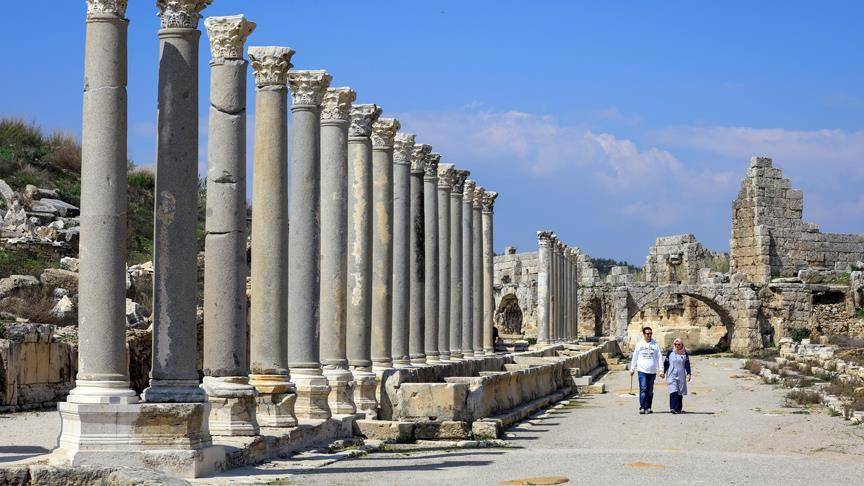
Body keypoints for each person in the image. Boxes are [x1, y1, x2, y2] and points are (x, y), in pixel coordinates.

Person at [629, 326, 663, 415]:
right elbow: (635, 357)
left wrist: (661, 370)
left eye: (650, 333)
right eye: (647, 333)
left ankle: (648, 407)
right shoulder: (639, 344)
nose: (649, 335)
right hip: (642, 370)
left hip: (652, 371)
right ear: (643, 334)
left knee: (650, 391)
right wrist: (632, 368)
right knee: (643, 388)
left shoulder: (655, 345)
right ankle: (642, 407)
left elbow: (659, 357)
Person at [664, 338, 692, 414]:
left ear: (681, 345)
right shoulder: (670, 353)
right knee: (673, 390)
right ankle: (673, 408)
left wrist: (689, 373)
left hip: (681, 374)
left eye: (678, 344)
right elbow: (666, 363)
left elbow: (687, 364)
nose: (677, 346)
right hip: (671, 374)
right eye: (675, 344)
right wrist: (663, 372)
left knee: (680, 392)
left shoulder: (684, 353)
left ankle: (678, 408)